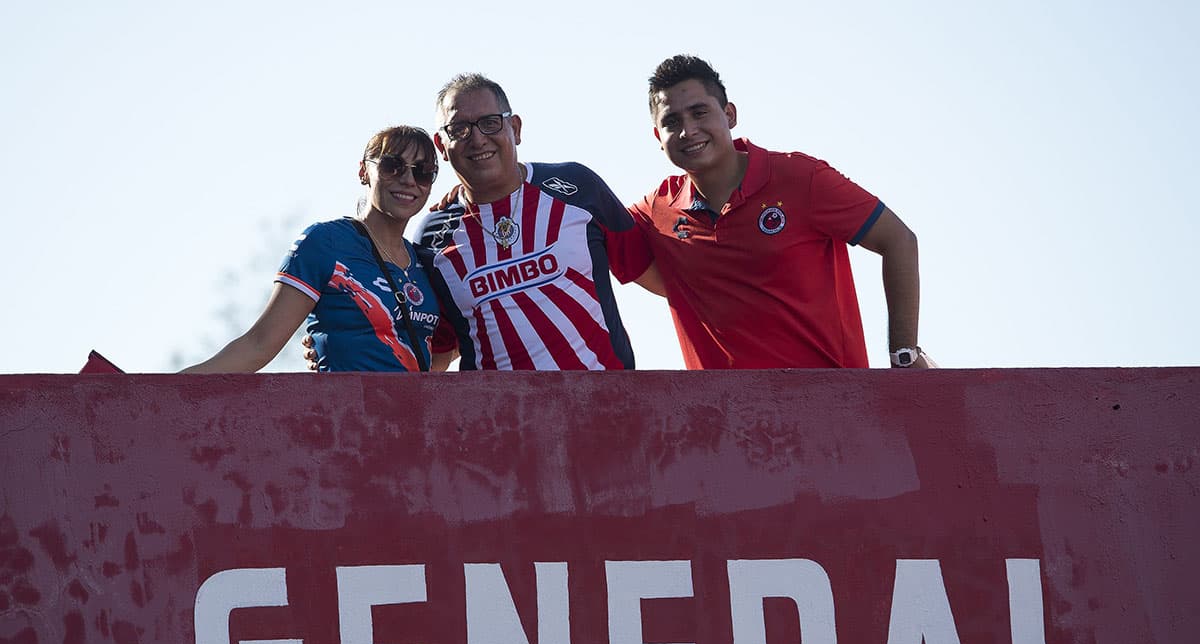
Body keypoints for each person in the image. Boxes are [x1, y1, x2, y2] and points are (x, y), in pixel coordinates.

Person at [606, 54, 934, 370]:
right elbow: (591, 233)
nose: (688, 130)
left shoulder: (801, 178)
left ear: (730, 115)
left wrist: (903, 353)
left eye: (699, 112)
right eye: (672, 121)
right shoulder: (656, 213)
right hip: (725, 422)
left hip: (834, 413)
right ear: (657, 138)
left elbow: (899, 240)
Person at [183, 126, 455, 373]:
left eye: (422, 172)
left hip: (411, 424)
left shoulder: (425, 262)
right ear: (364, 171)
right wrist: (165, 393)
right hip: (342, 421)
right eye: (392, 166)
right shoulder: (326, 242)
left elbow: (449, 351)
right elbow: (258, 345)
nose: (408, 180)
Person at [414, 73, 637, 371]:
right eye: (459, 129)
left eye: (490, 122)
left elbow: (659, 276)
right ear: (441, 145)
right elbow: (437, 353)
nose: (477, 138)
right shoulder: (433, 236)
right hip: (497, 415)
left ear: (515, 128)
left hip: (608, 408)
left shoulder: (577, 186)